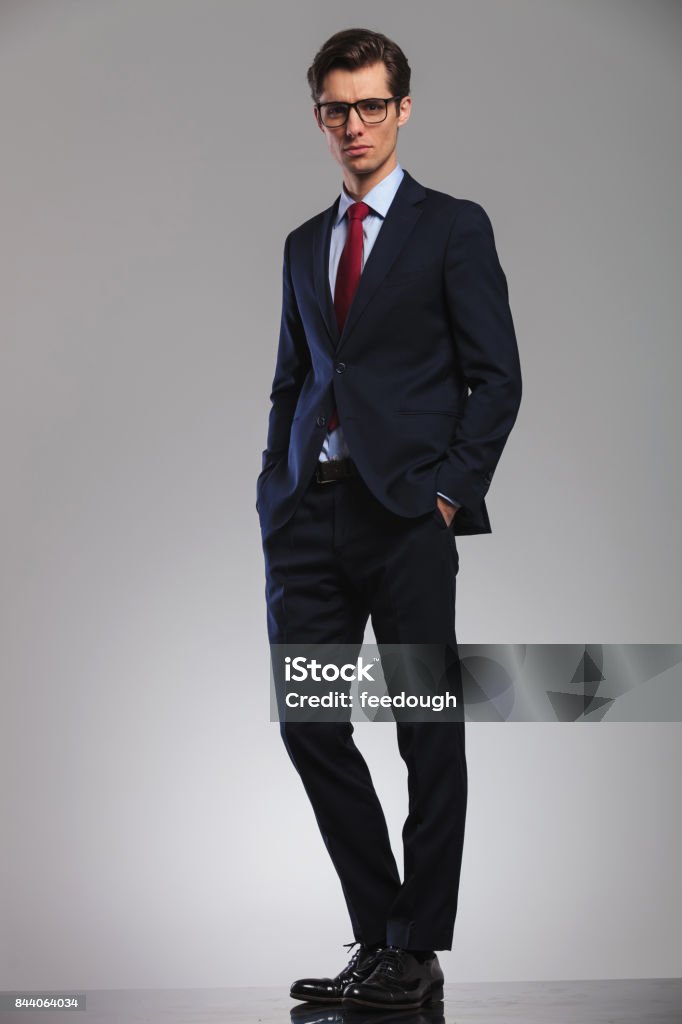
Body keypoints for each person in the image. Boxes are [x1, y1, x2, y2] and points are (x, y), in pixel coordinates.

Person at [256, 27, 522, 1012]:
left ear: (401, 109)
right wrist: (272, 489)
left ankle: (418, 949)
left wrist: (445, 495)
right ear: (319, 117)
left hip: (407, 519)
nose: (355, 124)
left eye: (372, 105)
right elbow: (292, 381)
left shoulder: (452, 227)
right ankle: (379, 935)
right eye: (337, 108)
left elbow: (496, 379)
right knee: (311, 721)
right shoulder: (300, 247)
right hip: (309, 524)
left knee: (423, 728)